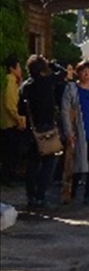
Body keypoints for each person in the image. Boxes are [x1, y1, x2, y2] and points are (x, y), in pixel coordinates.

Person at [60, 60, 89, 204]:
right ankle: (71, 192)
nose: (87, 74)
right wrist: (68, 132)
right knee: (76, 164)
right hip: (79, 130)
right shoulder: (72, 88)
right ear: (78, 73)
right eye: (83, 71)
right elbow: (65, 111)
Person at [18, 54, 60, 210]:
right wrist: (53, 65)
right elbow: (63, 74)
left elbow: (20, 110)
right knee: (49, 163)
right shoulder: (47, 81)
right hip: (47, 128)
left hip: (32, 130)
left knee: (32, 165)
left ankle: (31, 197)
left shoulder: (25, 86)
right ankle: (40, 196)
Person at [0, 55, 26, 185]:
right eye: (18, 67)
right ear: (12, 68)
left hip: (6, 122)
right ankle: (8, 177)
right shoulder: (10, 82)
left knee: (10, 152)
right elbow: (10, 105)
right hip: (10, 123)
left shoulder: (12, 82)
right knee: (10, 153)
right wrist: (19, 120)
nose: (20, 70)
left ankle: (10, 175)